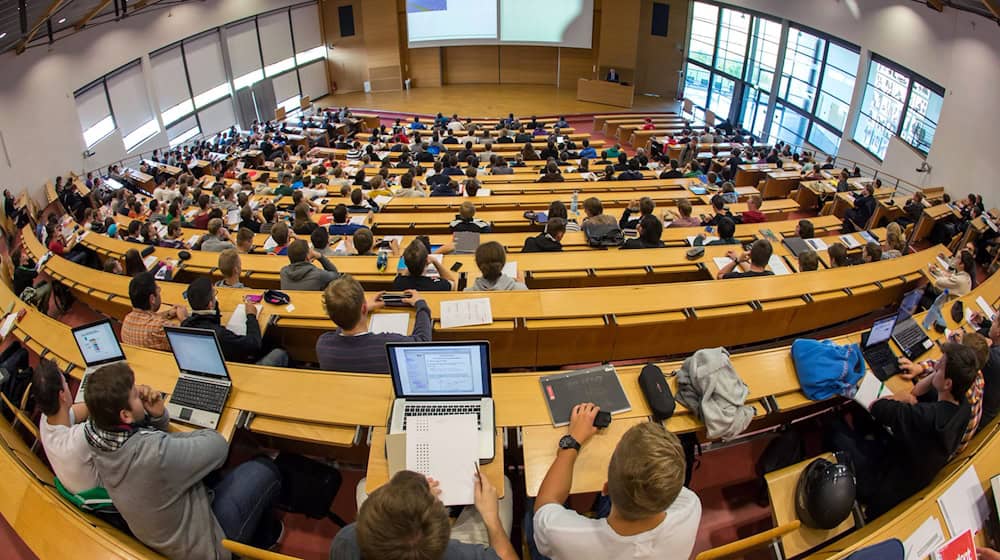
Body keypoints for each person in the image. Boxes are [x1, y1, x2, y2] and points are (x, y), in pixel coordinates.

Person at [83, 362, 283, 558]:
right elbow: (218, 446)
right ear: (125, 415)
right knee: (264, 469)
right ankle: (263, 541)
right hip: (207, 545)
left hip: (169, 536)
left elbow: (152, 444)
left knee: (211, 471)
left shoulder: (97, 435)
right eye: (134, 394)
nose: (140, 391)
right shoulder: (154, 454)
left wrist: (157, 416)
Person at [829, 343, 975, 520]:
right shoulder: (964, 408)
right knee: (865, 421)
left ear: (948, 383)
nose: (935, 366)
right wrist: (936, 377)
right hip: (905, 464)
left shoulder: (927, 417)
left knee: (835, 429)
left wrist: (902, 397)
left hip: (882, 483)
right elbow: (920, 395)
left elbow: (879, 407)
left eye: (940, 367)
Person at [531, 408, 701, 559]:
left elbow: (546, 503)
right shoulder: (690, 507)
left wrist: (573, 441)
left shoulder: (559, 534)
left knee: (530, 503)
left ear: (605, 488)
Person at [330, 470, 517, 560]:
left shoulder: (346, 540)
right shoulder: (462, 555)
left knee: (365, 484)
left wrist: (407, 494)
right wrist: (492, 518)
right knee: (503, 488)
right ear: (444, 537)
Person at [317, 276, 431, 373]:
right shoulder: (388, 346)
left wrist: (357, 310)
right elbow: (423, 340)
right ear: (364, 308)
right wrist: (421, 304)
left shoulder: (323, 344)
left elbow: (342, 321)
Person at [33, 360, 102, 499]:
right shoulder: (79, 438)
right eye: (65, 382)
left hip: (82, 492)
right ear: (62, 395)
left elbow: (80, 410)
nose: (68, 385)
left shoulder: (46, 421)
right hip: (106, 493)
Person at [181, 277, 288, 366]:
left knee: (269, 340)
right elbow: (254, 344)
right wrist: (251, 315)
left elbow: (209, 319)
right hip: (238, 368)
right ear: (210, 304)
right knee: (280, 353)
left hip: (213, 361)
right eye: (214, 294)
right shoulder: (220, 335)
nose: (216, 297)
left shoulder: (186, 324)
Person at [121, 272, 187, 351]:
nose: (159, 292)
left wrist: (168, 313)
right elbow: (189, 340)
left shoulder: (126, 320)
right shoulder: (160, 328)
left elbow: (148, 319)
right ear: (152, 299)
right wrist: (184, 319)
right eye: (158, 290)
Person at [393, 240, 457, 292]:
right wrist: (435, 262)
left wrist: (411, 262)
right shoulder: (439, 285)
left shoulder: (398, 282)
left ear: (405, 263)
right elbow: (453, 283)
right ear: (427, 262)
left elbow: (402, 274)